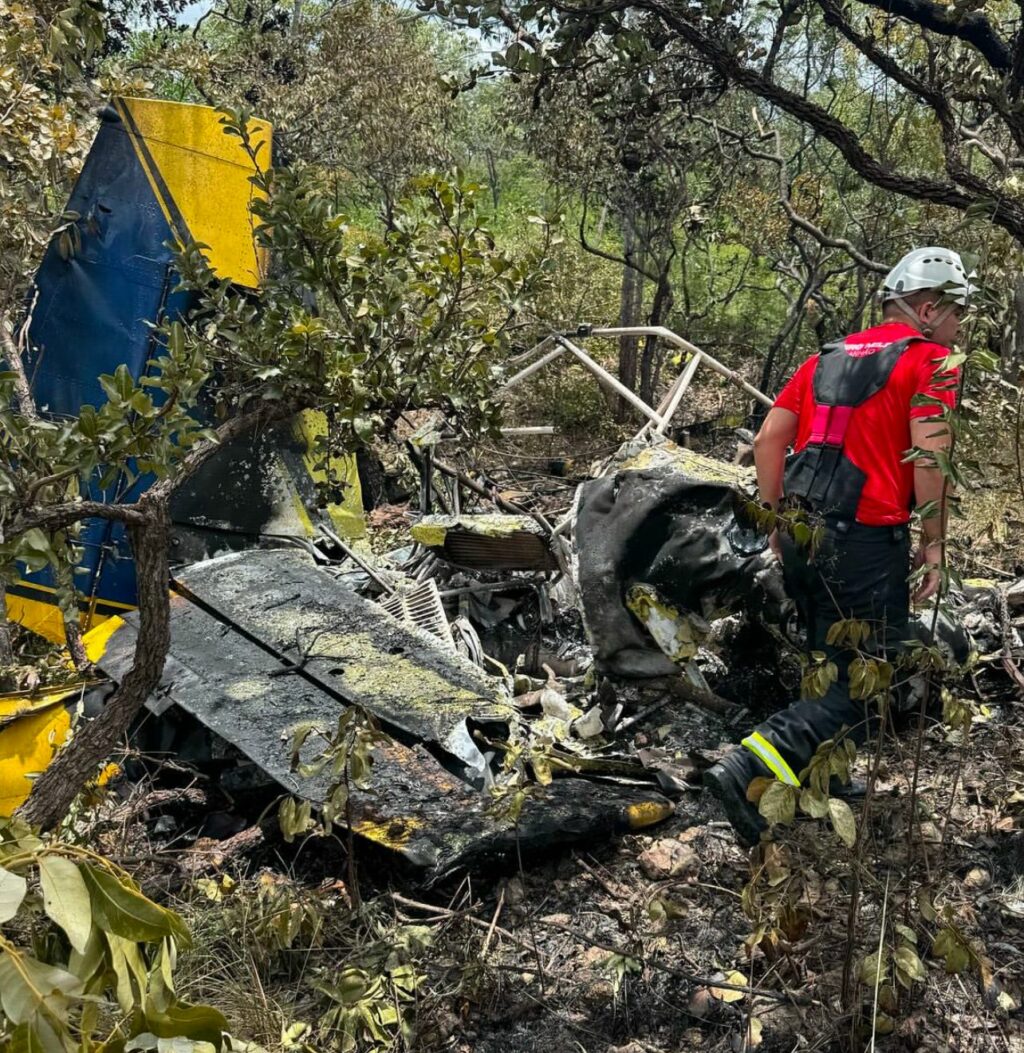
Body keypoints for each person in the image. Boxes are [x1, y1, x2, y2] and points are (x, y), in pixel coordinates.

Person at [704, 247, 974, 844]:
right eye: (957, 315)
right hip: (863, 537)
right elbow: (930, 455)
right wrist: (935, 543)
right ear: (928, 310)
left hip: (804, 530)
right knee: (863, 679)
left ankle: (825, 778)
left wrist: (774, 518)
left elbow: (771, 437)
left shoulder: (825, 358)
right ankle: (750, 764)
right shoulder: (931, 360)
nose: (960, 329)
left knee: (828, 654)